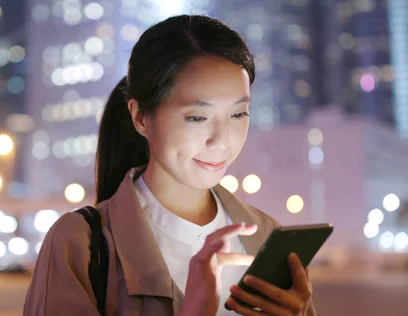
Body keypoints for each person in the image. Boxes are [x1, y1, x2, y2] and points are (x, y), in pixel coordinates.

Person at [24, 14, 316, 316]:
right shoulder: (80, 243)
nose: (222, 141)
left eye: (239, 114)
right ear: (140, 118)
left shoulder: (268, 237)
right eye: (197, 117)